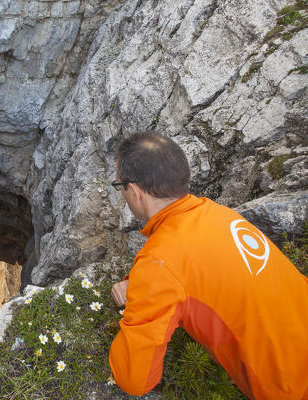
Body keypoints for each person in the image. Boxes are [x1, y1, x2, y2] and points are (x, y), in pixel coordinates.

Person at [108, 131, 308, 400]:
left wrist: (138, 299)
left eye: (119, 185)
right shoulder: (218, 214)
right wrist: (142, 282)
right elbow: (192, 267)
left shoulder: (162, 263)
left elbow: (135, 379)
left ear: (134, 191)